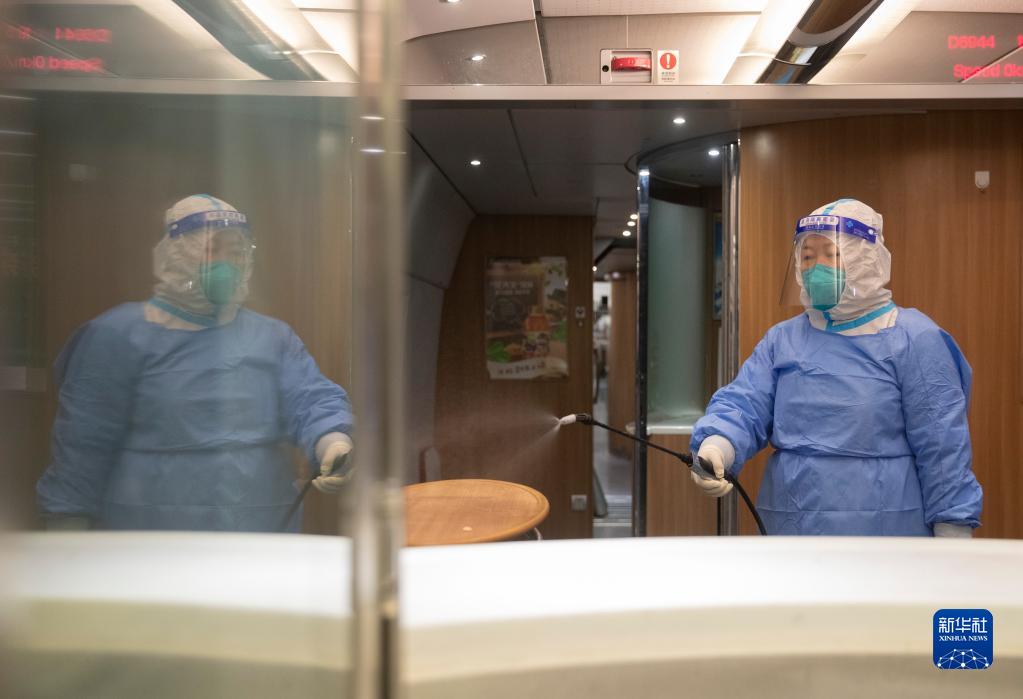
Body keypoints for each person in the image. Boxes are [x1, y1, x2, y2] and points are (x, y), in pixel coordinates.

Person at [36, 195, 354, 532]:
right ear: (178, 254)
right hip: (147, 539)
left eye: (236, 252)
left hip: (258, 535)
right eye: (213, 249)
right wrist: (67, 528)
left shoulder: (272, 338)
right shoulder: (117, 335)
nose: (227, 264)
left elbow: (311, 399)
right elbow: (83, 447)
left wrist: (332, 442)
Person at [689, 198, 982, 537]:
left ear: (865, 259)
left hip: (887, 533)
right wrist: (717, 445)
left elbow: (943, 449)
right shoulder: (783, 340)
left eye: (831, 254)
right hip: (792, 527)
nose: (816, 268)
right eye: (807, 257)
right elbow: (744, 405)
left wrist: (952, 529)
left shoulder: (914, 338)